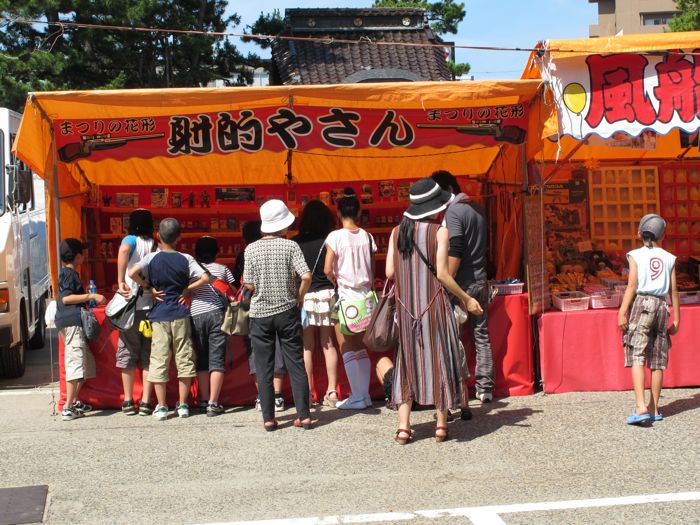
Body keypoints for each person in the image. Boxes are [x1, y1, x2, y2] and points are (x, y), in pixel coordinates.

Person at [385, 178, 483, 444]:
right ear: (434, 207)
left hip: (406, 311)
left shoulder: (397, 232)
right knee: (439, 360)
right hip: (434, 307)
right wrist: (465, 298)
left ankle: (404, 428)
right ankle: (441, 426)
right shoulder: (439, 232)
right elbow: (442, 274)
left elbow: (389, 273)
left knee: (406, 362)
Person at [128, 218, 209, 421]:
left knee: (159, 360)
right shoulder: (186, 258)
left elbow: (132, 272)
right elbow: (206, 277)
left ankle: (162, 406)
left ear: (158, 236)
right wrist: (187, 289)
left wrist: (149, 287)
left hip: (159, 315)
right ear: (179, 237)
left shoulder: (152, 258)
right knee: (184, 359)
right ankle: (183, 405)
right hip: (181, 313)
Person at [244, 200, 313, 431]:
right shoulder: (291, 247)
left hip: (260, 314)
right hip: (287, 311)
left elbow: (249, 284)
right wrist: (299, 297)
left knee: (264, 366)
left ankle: (269, 419)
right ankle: (304, 416)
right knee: (295, 364)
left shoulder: (250, 249)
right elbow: (306, 276)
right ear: (283, 226)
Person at [432, 170, 495, 404]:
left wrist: (447, 278)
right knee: (481, 335)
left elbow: (455, 250)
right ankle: (485, 388)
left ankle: (458, 389)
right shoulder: (477, 208)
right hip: (480, 278)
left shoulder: (454, 212)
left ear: (448, 189)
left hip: (461, 284)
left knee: (453, 336)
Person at [618, 214, 679, 425]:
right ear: (663, 235)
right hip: (662, 306)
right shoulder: (670, 258)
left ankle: (640, 406)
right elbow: (674, 291)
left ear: (639, 233)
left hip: (642, 304)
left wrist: (622, 311)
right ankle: (654, 408)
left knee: (637, 354)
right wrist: (677, 320)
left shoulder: (634, 255)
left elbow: (632, 286)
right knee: (657, 359)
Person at [324, 189, 376, 410]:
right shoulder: (367, 236)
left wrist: (336, 280)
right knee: (362, 347)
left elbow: (327, 268)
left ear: (338, 212)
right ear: (359, 211)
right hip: (366, 298)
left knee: (346, 346)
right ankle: (363, 394)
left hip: (345, 298)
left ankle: (357, 395)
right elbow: (373, 268)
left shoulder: (334, 237)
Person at [234, 220, 287, 411]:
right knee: (278, 347)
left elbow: (241, 281)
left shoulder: (245, 253)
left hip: (253, 307)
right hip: (279, 305)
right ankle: (278, 396)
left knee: (256, 350)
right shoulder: (278, 249)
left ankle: (262, 397)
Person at [293, 200, 340, 407]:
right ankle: (332, 391)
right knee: (328, 344)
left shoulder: (294, 242)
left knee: (307, 346)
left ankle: (308, 393)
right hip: (327, 294)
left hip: (305, 296)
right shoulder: (329, 240)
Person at [55, 238, 106, 421]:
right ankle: (68, 407)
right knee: (76, 364)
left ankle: (74, 401)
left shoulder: (67, 273)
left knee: (85, 363)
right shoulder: (69, 274)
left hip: (69, 323)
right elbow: (66, 299)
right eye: (82, 253)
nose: (84, 256)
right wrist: (91, 295)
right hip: (72, 323)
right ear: (77, 256)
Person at [115, 209, 156, 416]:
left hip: (130, 306)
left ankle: (129, 401)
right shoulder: (154, 243)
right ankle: (147, 402)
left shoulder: (130, 239)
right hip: (149, 306)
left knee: (128, 352)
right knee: (149, 354)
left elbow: (123, 250)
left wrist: (121, 279)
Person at [191, 236, 237, 417]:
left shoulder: (192, 269)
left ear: (196, 253)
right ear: (217, 251)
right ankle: (213, 403)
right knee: (216, 359)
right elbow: (233, 291)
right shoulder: (223, 269)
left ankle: (203, 400)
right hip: (217, 314)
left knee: (201, 359)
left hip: (195, 315)